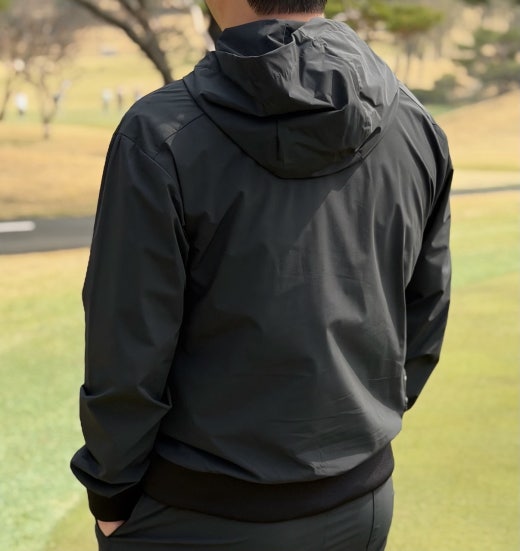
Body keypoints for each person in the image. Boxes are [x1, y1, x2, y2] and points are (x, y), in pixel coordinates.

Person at [71, 1, 452, 550]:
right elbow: (426, 311)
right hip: (359, 499)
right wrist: (361, 426)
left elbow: (126, 340)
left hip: (192, 512)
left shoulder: (158, 133)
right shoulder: (415, 123)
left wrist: (111, 491)